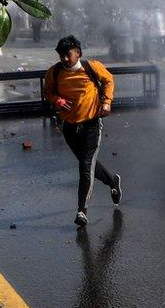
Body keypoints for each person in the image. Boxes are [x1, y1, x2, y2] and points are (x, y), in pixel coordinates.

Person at [44, 35, 122, 227]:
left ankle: (82, 211)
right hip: (69, 126)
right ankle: (112, 181)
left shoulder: (91, 67)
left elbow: (109, 80)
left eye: (67, 54)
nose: (64, 59)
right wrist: (57, 101)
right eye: (61, 55)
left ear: (77, 53)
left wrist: (106, 102)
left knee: (85, 167)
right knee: (87, 164)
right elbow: (48, 92)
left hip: (91, 124)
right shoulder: (54, 73)